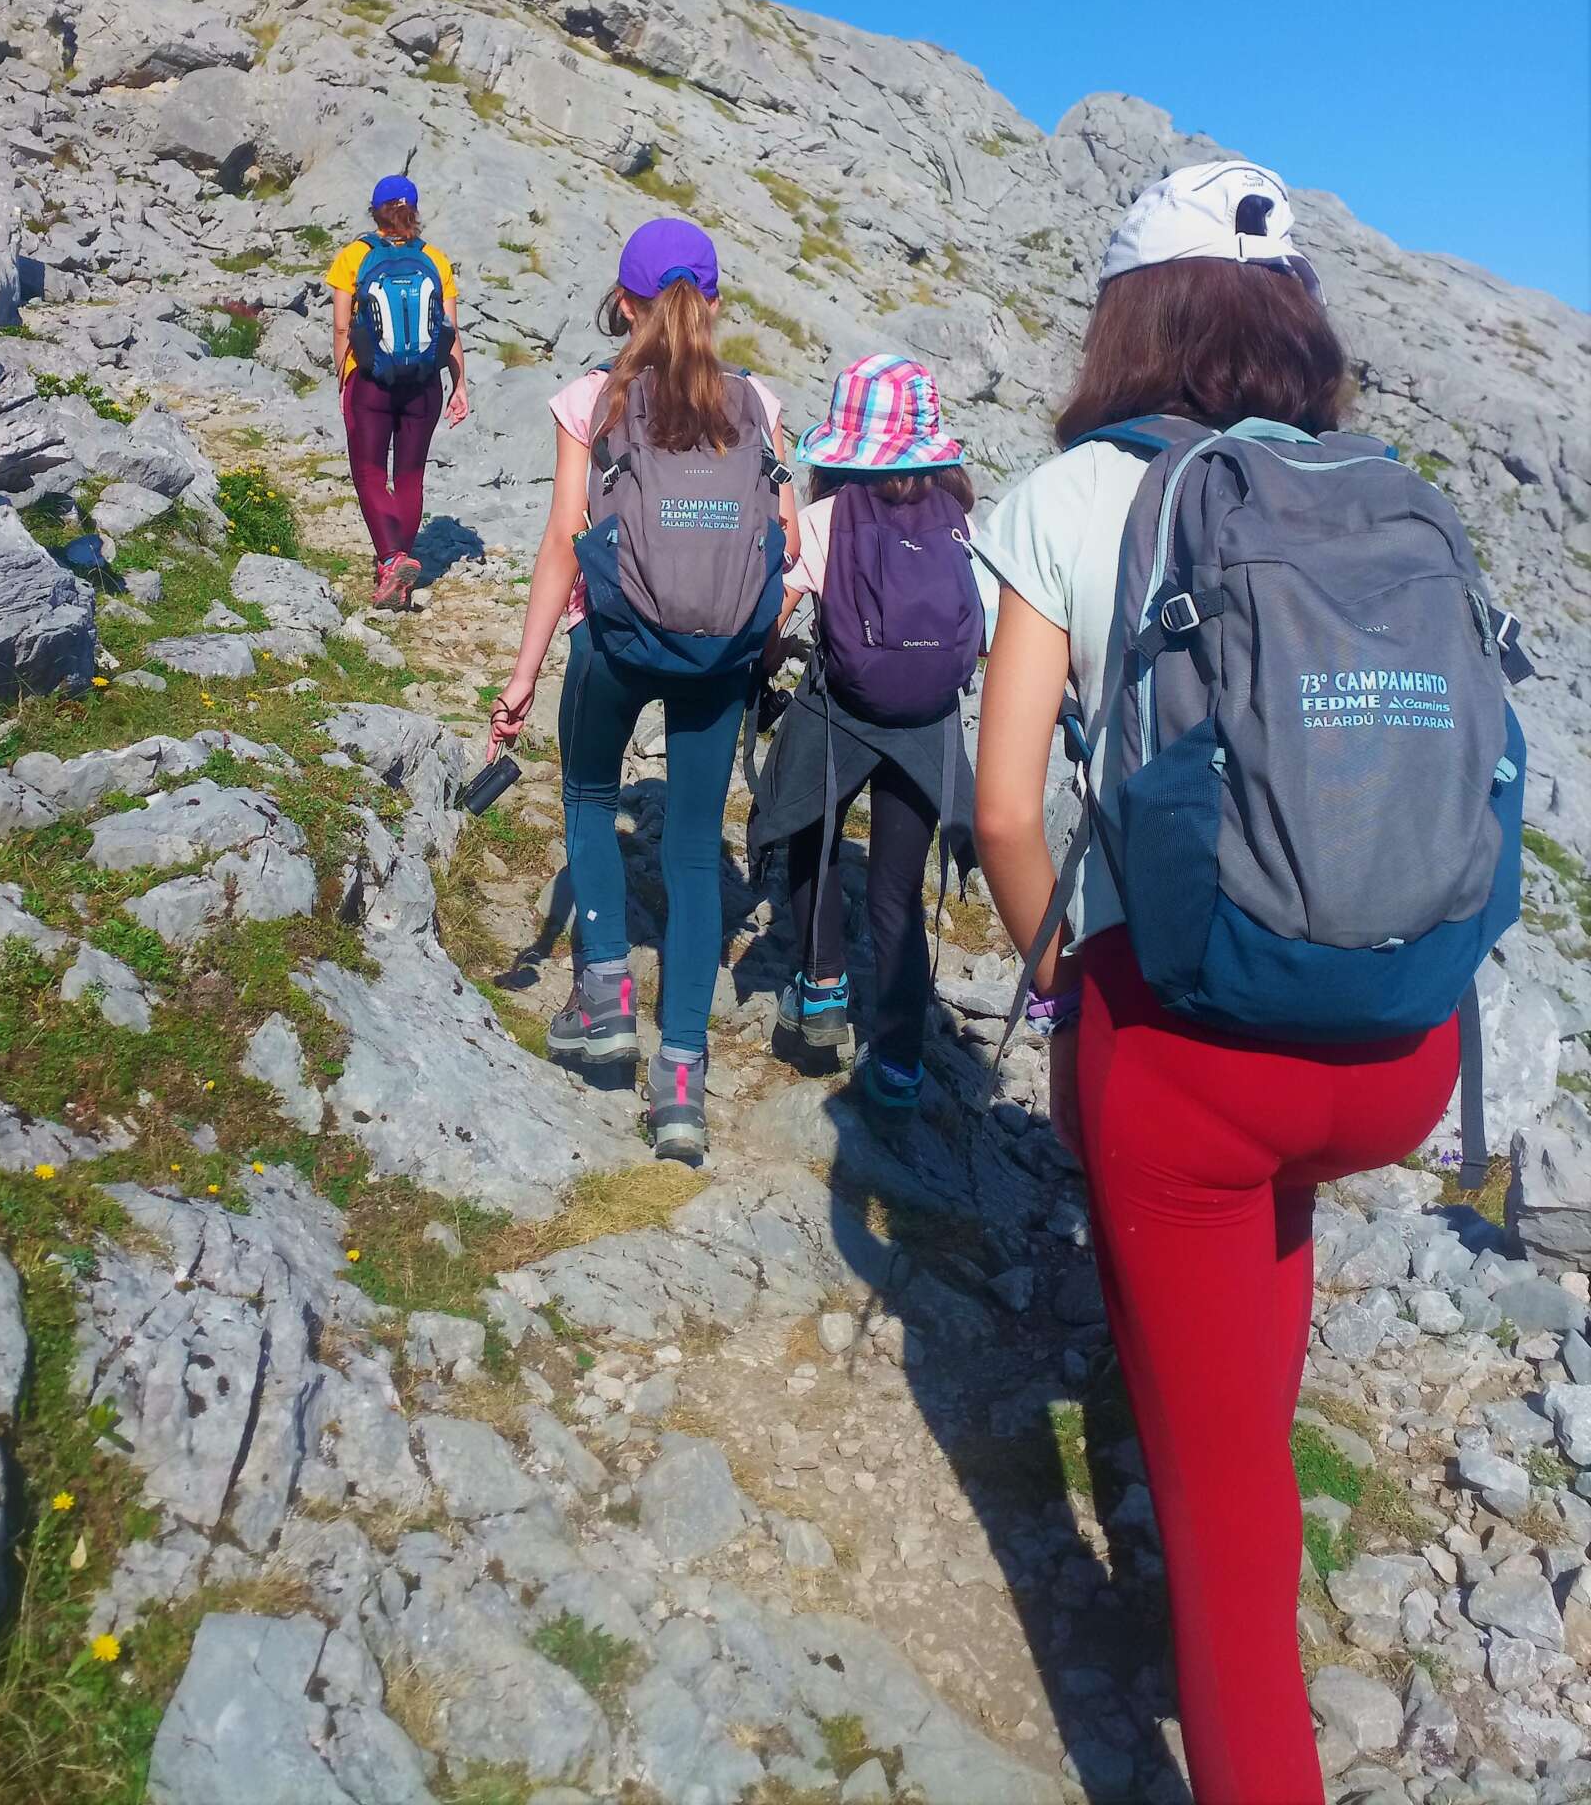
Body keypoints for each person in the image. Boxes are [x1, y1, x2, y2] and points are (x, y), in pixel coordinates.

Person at [972, 162, 1462, 1805]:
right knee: (1271, 1254)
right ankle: (1232, 1449)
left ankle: (1244, 1707)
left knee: (1224, 1511)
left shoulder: (1072, 497)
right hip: (1397, 1036)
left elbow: (1005, 813)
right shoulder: (1378, 493)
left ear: (1131, 317)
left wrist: (1069, 998)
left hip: (1188, 1044)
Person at [487, 216, 797, 1163]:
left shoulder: (594, 398)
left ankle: (606, 996)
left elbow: (561, 540)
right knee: (697, 852)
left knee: (588, 793)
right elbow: (786, 541)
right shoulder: (757, 401)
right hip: (720, 657)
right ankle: (683, 1087)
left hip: (614, 643)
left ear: (624, 304)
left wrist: (523, 673)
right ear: (715, 302)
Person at [747, 354, 988, 1127]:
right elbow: (981, 633)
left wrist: (764, 664)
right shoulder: (963, 525)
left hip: (841, 712)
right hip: (927, 726)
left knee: (808, 835)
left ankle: (821, 990)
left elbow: (775, 615)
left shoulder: (828, 519)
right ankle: (899, 1062)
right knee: (895, 893)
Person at [326, 175, 468, 607]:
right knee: (410, 474)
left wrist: (343, 376)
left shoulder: (354, 256)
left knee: (370, 472)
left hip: (370, 381)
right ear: (414, 210)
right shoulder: (434, 259)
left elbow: (341, 327)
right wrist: (459, 384)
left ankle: (391, 560)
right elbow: (449, 329)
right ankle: (400, 568)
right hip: (424, 383)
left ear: (375, 212)